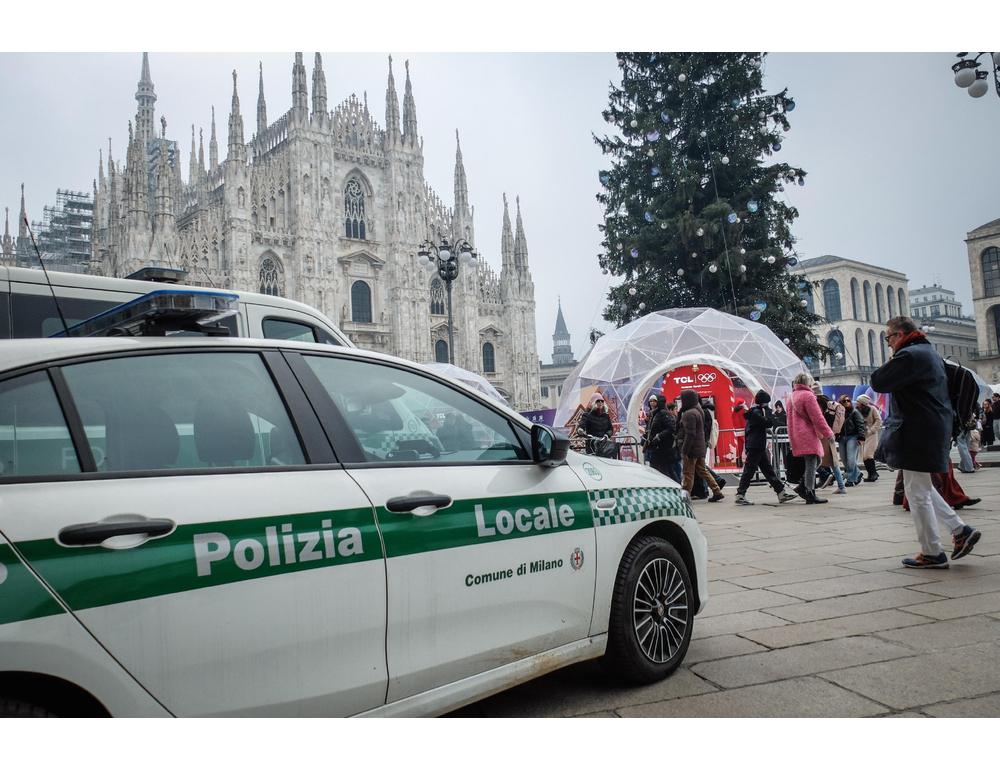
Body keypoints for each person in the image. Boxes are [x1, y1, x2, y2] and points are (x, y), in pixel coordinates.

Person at [871, 316, 982, 568]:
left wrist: (893, 361)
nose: (888, 343)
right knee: (920, 486)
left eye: (888, 337)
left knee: (917, 492)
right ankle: (960, 530)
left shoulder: (910, 355)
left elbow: (878, 381)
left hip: (918, 430)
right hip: (930, 427)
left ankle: (933, 552)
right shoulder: (928, 352)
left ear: (900, 335)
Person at [734, 390, 799, 505]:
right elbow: (768, 423)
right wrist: (768, 411)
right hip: (756, 445)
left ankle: (781, 492)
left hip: (756, 444)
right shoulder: (757, 413)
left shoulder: (753, 411)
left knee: (768, 470)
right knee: (749, 471)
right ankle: (740, 494)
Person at [785, 371, 834, 504]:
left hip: (796, 433)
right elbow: (817, 418)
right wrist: (829, 434)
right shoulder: (808, 396)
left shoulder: (792, 396)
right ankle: (809, 492)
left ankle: (803, 487)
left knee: (815, 460)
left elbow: (788, 418)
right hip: (807, 433)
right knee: (812, 462)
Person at [677, 389, 724, 502]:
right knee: (703, 470)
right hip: (699, 446)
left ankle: (685, 496)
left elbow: (690, 434)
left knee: (688, 473)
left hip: (691, 448)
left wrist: (684, 451)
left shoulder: (688, 414)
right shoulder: (698, 411)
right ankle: (716, 490)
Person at [692, 399, 726, 497]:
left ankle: (708, 487)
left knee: (700, 466)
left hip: (700, 443)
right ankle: (715, 482)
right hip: (701, 442)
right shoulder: (703, 411)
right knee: (700, 466)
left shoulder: (701, 412)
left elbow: (703, 429)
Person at [646, 395, 682, 484]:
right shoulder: (653, 414)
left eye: (654, 401)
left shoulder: (662, 413)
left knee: (665, 471)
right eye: (650, 401)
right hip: (656, 447)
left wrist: (659, 436)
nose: (652, 403)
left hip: (663, 447)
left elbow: (671, 428)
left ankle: (675, 487)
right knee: (662, 470)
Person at [815, 394, 847, 494]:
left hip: (823, 436)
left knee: (814, 460)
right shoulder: (830, 410)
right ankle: (841, 486)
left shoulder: (820, 409)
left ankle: (814, 484)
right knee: (833, 463)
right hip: (830, 435)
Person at [836, 396, 865, 486]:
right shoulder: (838, 413)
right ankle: (857, 473)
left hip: (853, 436)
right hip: (842, 437)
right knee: (844, 459)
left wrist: (861, 438)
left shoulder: (854, 412)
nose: (846, 402)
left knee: (851, 459)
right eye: (844, 401)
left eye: (848, 400)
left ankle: (850, 479)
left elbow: (860, 425)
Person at [856, 394, 882, 482]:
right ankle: (871, 474)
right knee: (864, 456)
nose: (857, 402)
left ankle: (873, 473)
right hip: (862, 435)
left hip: (871, 435)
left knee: (868, 454)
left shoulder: (872, 409)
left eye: (858, 401)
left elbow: (878, 420)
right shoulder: (857, 410)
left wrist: (872, 430)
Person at [732, 398, 747, 467]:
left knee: (739, 447)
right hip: (745, 430)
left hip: (737, 431)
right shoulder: (744, 411)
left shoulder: (733, 412)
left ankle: (739, 461)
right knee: (748, 446)